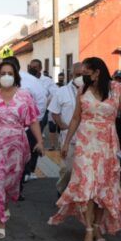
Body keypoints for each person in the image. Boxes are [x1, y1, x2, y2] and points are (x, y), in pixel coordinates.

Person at [49, 57, 121, 241]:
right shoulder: (83, 90)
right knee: (87, 186)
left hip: (108, 144)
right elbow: (75, 119)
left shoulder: (117, 89)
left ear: (97, 72)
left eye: (86, 72)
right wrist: (66, 143)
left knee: (104, 187)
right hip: (85, 145)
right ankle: (88, 229)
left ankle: (97, 226)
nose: (83, 75)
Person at [0, 60, 41, 239]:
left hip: (17, 146)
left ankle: (5, 204)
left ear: (15, 76)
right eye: (2, 73)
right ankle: (1, 221)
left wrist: (39, 141)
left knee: (11, 182)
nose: (6, 76)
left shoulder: (24, 96)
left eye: (9, 73)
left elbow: (33, 120)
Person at [49, 62, 83, 196]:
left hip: (88, 137)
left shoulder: (92, 91)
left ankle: (79, 194)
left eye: (83, 75)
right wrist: (61, 124)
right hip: (68, 137)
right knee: (67, 169)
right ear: (71, 75)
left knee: (83, 169)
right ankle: (61, 190)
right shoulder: (61, 92)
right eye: (78, 75)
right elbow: (54, 111)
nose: (81, 77)